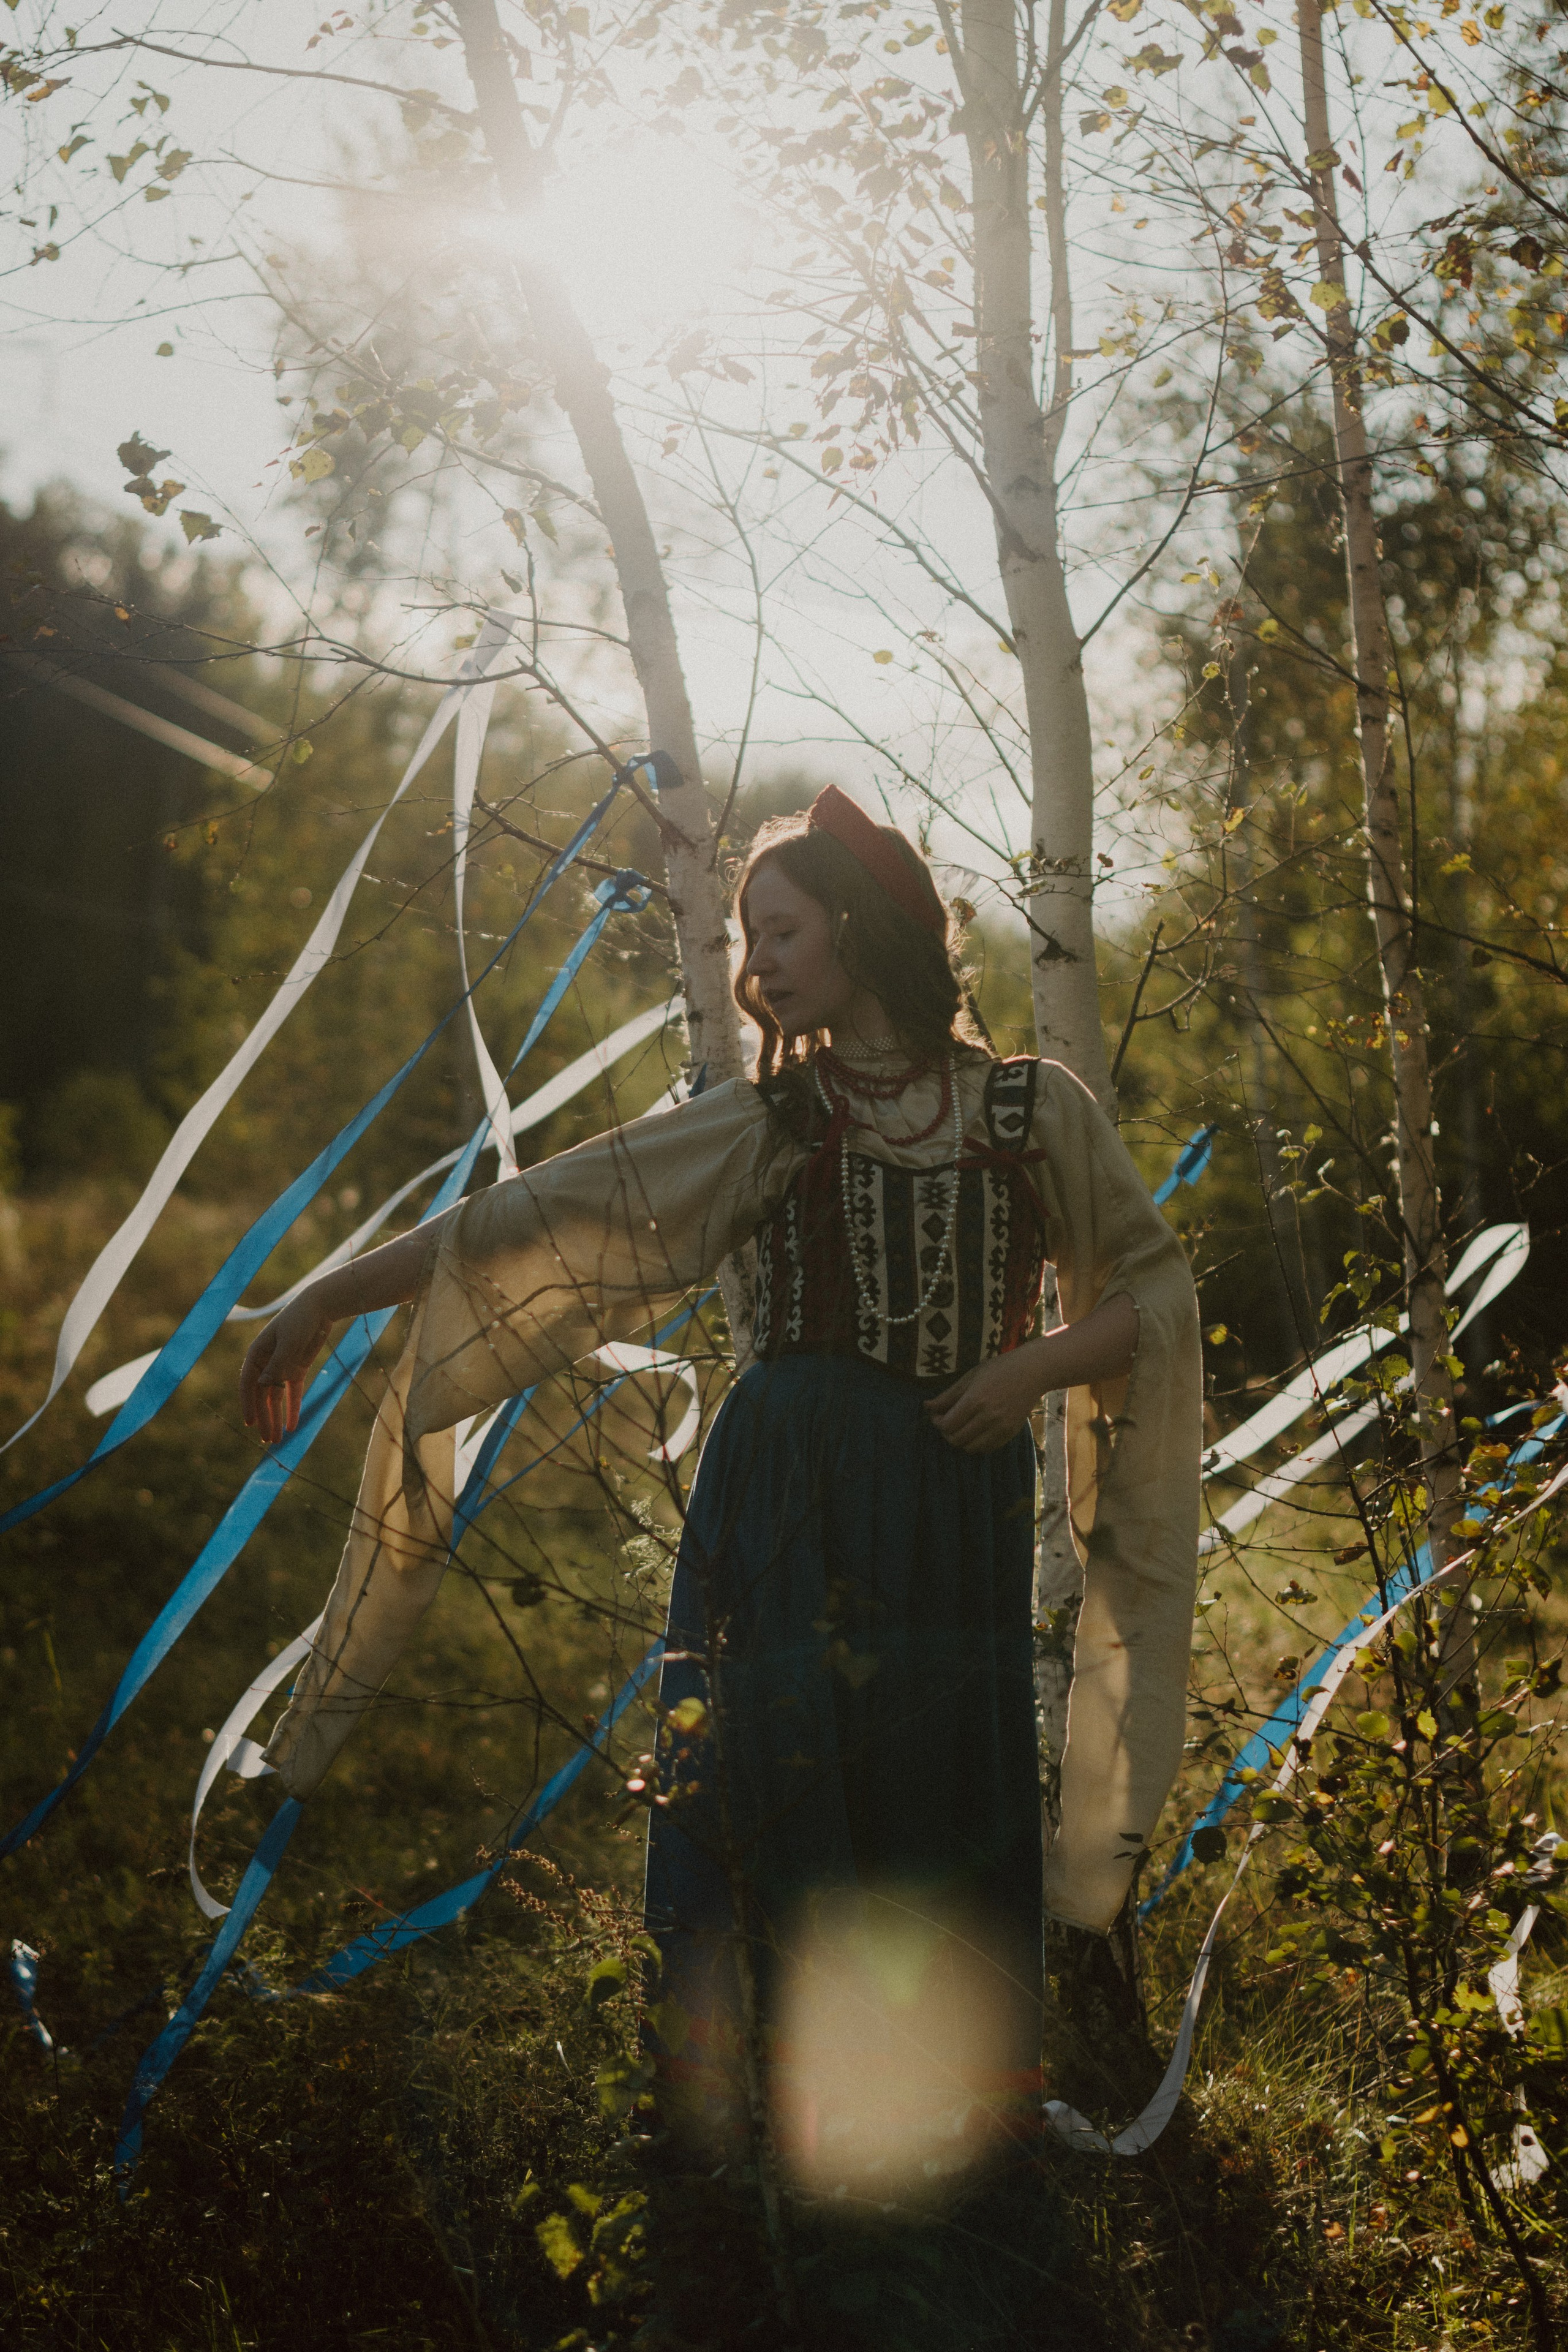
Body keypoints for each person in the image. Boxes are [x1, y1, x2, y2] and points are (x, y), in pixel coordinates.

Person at [240, 784, 1200, 2187]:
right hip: (791, 1504)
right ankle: (763, 2128)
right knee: (780, 1777)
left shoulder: (1023, 1107)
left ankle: (955, 2124)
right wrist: (333, 1290)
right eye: (750, 938)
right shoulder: (774, 1117)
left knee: (944, 1781)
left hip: (951, 1509)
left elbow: (1154, 1293)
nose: (759, 967)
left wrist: (1031, 1370)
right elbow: (540, 1213)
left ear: (861, 931)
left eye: (783, 931)